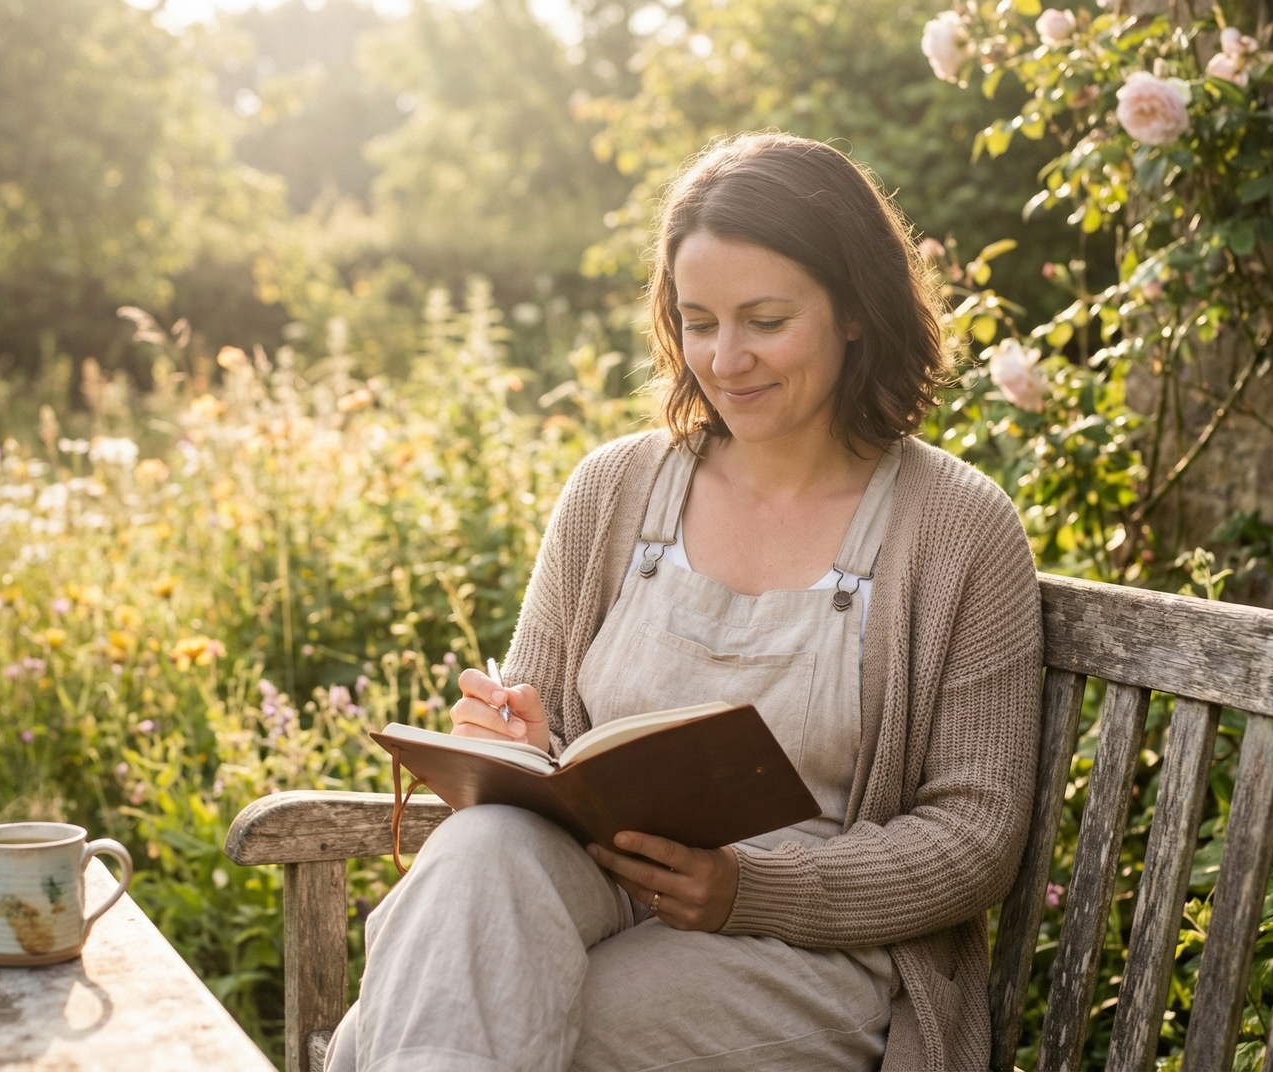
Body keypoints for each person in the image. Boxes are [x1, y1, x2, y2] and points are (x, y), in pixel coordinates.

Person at [323, 132, 1043, 1072]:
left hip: (809, 944)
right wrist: (517, 744)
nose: (726, 357)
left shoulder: (957, 528)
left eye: (765, 320)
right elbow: (538, 725)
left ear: (857, 311)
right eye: (698, 321)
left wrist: (752, 889)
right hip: (601, 884)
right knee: (482, 851)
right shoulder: (615, 487)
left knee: (496, 1023)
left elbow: (975, 837)